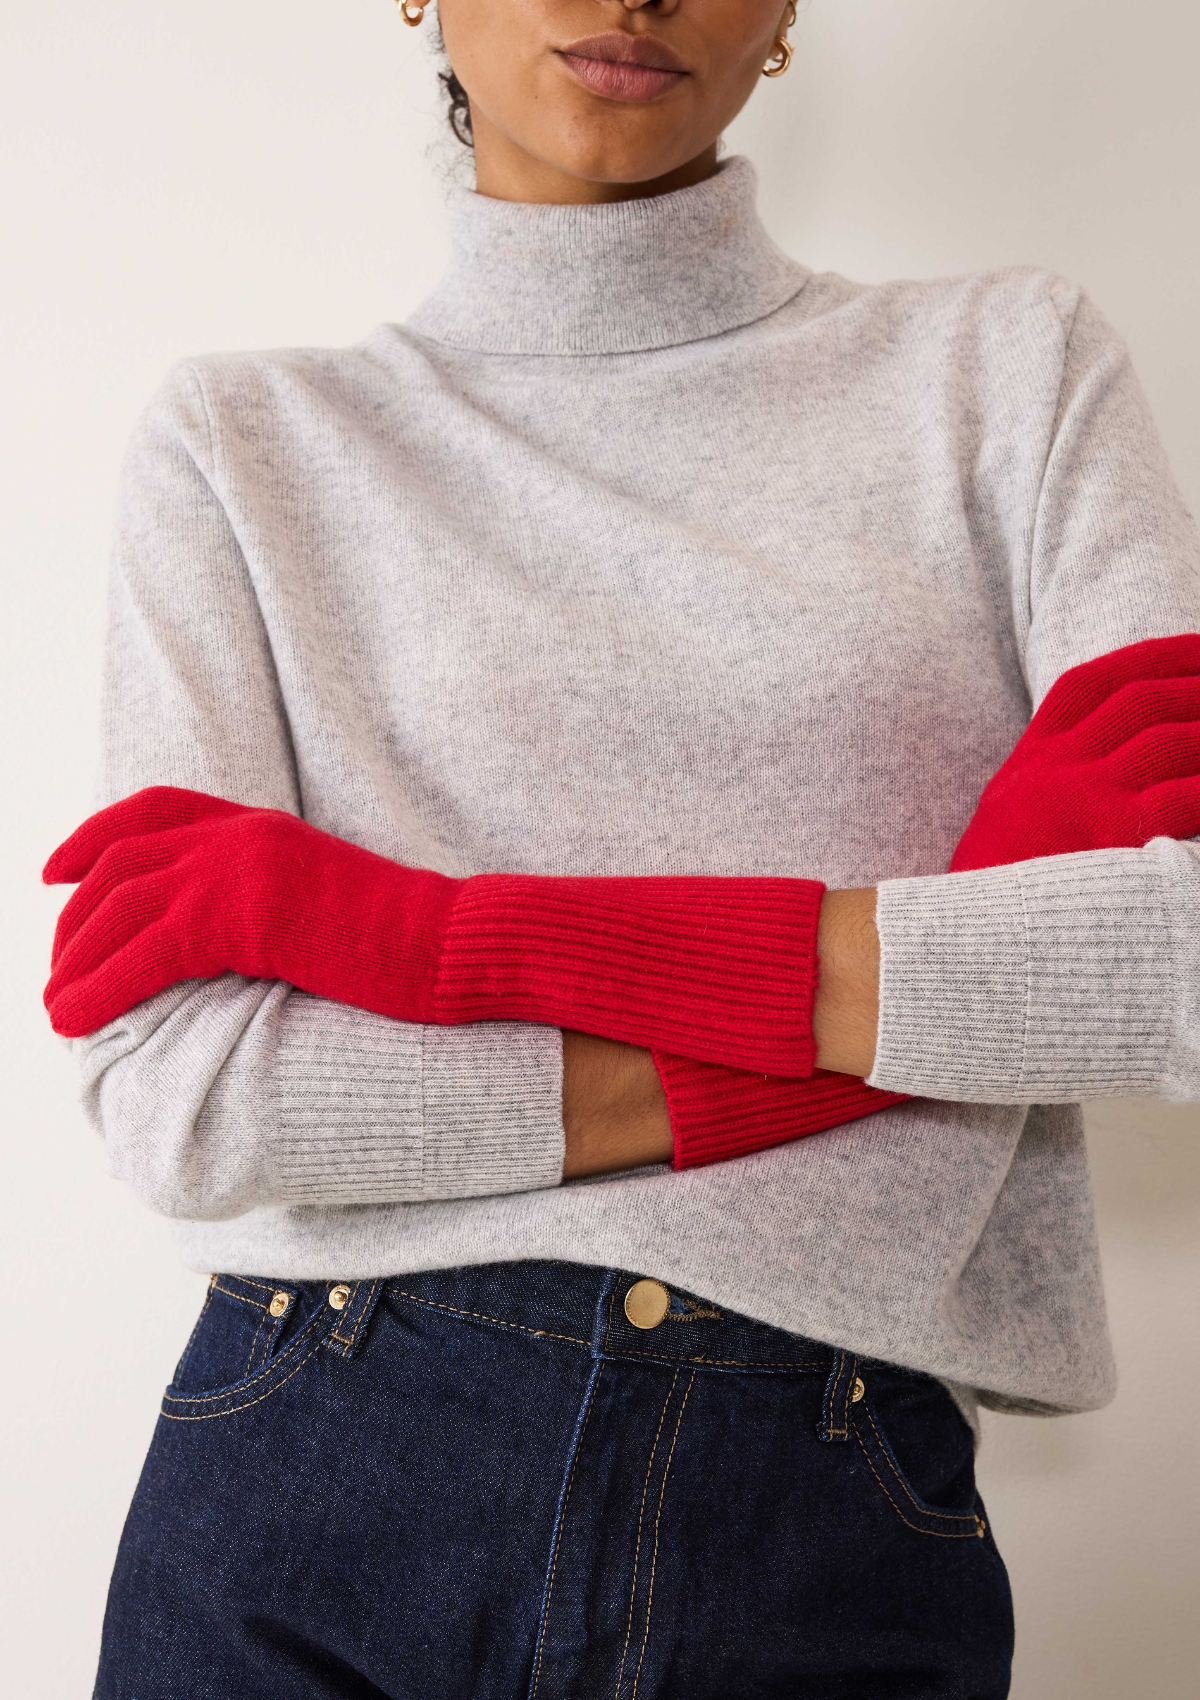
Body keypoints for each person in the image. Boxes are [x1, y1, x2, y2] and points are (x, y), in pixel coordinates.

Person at [42, 2, 1200, 1695]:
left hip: (824, 1490)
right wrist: (947, 974)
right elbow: (188, 1099)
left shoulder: (1010, 372)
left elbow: (1167, 960)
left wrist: (421, 942)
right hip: (326, 1458)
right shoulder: (245, 444)